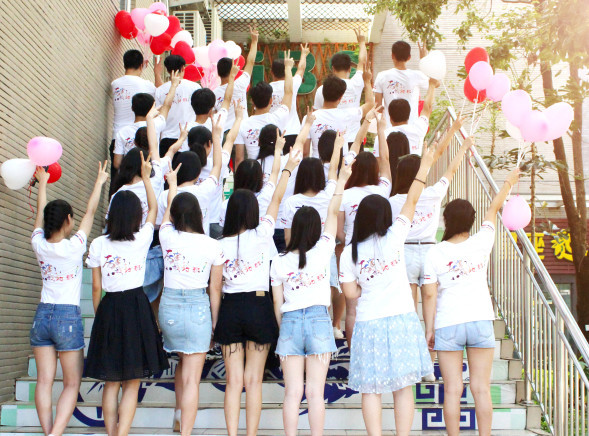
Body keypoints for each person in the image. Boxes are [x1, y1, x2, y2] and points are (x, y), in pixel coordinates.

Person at [339, 140, 444, 436]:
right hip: (401, 318)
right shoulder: (396, 236)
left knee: (370, 389)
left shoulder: (349, 253)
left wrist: (366, 288)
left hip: (368, 322)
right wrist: (426, 164)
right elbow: (412, 199)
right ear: (386, 216)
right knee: (402, 387)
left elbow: (350, 294)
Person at [211, 144, 302, 436]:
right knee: (253, 381)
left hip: (230, 308)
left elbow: (215, 289)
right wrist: (287, 167)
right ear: (253, 212)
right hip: (259, 308)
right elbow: (276, 197)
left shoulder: (219, 245)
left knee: (233, 382)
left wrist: (216, 321)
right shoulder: (263, 233)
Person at [422, 168, 521, 436]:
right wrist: (509, 182)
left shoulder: (434, 253)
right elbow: (493, 208)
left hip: (448, 323)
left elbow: (429, 294)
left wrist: (429, 329)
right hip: (480, 320)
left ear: (445, 220)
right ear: (471, 221)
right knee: (481, 388)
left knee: (452, 389)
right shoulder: (482, 241)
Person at [85, 152, 169, 436]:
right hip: (135, 306)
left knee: (111, 382)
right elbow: (154, 209)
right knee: (132, 382)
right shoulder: (142, 238)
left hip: (109, 306)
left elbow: (96, 287)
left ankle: (112, 433)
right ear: (135, 215)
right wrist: (146, 179)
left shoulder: (98, 244)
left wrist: (101, 315)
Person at [271, 159, 353, 436]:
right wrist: (341, 180)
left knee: (292, 393)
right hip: (319, 321)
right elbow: (332, 211)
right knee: (316, 393)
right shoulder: (324, 251)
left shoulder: (279, 261)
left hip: (290, 321)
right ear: (316, 230)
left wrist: (283, 327)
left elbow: (277, 302)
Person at [29, 163, 108, 436]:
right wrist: (99, 183)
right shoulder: (75, 247)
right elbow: (91, 213)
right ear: (68, 220)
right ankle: (55, 434)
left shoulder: (38, 244)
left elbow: (40, 215)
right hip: (67, 318)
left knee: (44, 381)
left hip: (42, 316)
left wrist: (43, 183)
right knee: (72, 383)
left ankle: (48, 431)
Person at [158, 163, 224, 436]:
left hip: (170, 308)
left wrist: (173, 185)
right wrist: (214, 322)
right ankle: (185, 432)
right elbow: (215, 289)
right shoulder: (213, 245)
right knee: (192, 379)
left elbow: (167, 214)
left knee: (182, 363)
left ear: (174, 216)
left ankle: (178, 415)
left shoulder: (166, 236)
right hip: (198, 309)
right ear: (199, 215)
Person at [389, 116, 466, 312]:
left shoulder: (393, 201)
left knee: (408, 300)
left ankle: (412, 330)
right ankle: (430, 330)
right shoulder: (434, 193)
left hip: (404, 250)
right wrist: (463, 146)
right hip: (430, 250)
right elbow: (451, 170)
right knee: (430, 297)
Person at [337, 108, 391, 346]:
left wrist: (365, 124)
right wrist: (380, 130)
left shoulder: (344, 193)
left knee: (352, 309)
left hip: (352, 252)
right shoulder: (383, 190)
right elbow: (386, 159)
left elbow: (338, 231)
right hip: (378, 254)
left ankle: (353, 353)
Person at [234, 52, 295, 166]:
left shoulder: (242, 124)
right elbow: (289, 92)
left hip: (253, 172)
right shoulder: (278, 117)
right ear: (271, 100)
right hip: (276, 170)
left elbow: (239, 158)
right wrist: (288, 68)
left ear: (252, 101)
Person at [113, 71, 181, 169]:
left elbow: (117, 163)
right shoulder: (155, 125)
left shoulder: (122, 132)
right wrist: (174, 85)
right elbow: (167, 105)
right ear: (151, 109)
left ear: (132, 108)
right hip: (151, 173)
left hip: (129, 175)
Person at [219, 130, 284, 228]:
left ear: (237, 177)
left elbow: (223, 229)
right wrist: (278, 150)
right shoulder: (265, 195)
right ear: (261, 178)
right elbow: (275, 172)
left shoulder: (227, 204)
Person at [313, 28, 367, 144]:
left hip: (331, 141)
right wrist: (362, 42)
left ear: (333, 68)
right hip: (353, 140)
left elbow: (316, 116)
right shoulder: (356, 83)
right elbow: (362, 62)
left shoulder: (322, 89)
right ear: (349, 69)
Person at [303, 71, 374, 158]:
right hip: (341, 164)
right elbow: (370, 104)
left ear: (323, 93)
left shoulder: (308, 118)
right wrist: (367, 81)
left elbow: (305, 152)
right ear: (340, 97)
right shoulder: (348, 115)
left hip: (317, 164)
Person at [110, 50, 161, 171]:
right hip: (141, 138)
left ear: (124, 64)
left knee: (118, 176)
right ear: (141, 65)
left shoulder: (115, 84)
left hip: (118, 137)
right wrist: (157, 73)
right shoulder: (147, 85)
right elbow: (161, 93)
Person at [181, 63, 240, 150]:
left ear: (192, 105)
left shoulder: (185, 128)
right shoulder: (217, 121)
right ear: (211, 108)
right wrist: (231, 77)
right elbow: (227, 99)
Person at [373, 78, 439, 156]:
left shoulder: (381, 136)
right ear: (408, 115)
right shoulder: (418, 129)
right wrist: (432, 85)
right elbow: (427, 108)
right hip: (415, 164)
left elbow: (378, 160)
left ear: (390, 118)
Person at [373, 40, 429, 127]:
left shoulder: (382, 76)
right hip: (411, 127)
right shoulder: (416, 75)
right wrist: (423, 60)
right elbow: (435, 83)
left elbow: (378, 107)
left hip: (389, 128)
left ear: (392, 55)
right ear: (409, 57)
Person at [214, 26, 258, 132]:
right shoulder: (241, 83)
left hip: (223, 133)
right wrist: (254, 41)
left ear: (218, 73)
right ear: (233, 70)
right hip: (242, 130)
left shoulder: (213, 93)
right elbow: (250, 62)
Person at [155, 55, 201, 156]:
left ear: (167, 70)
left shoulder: (159, 91)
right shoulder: (195, 87)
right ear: (183, 68)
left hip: (166, 138)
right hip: (188, 136)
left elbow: (158, 115)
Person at [270, 43, 310, 153]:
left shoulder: (267, 89)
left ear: (271, 72)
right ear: (287, 71)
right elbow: (301, 69)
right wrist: (303, 54)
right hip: (293, 132)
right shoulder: (293, 83)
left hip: (273, 133)